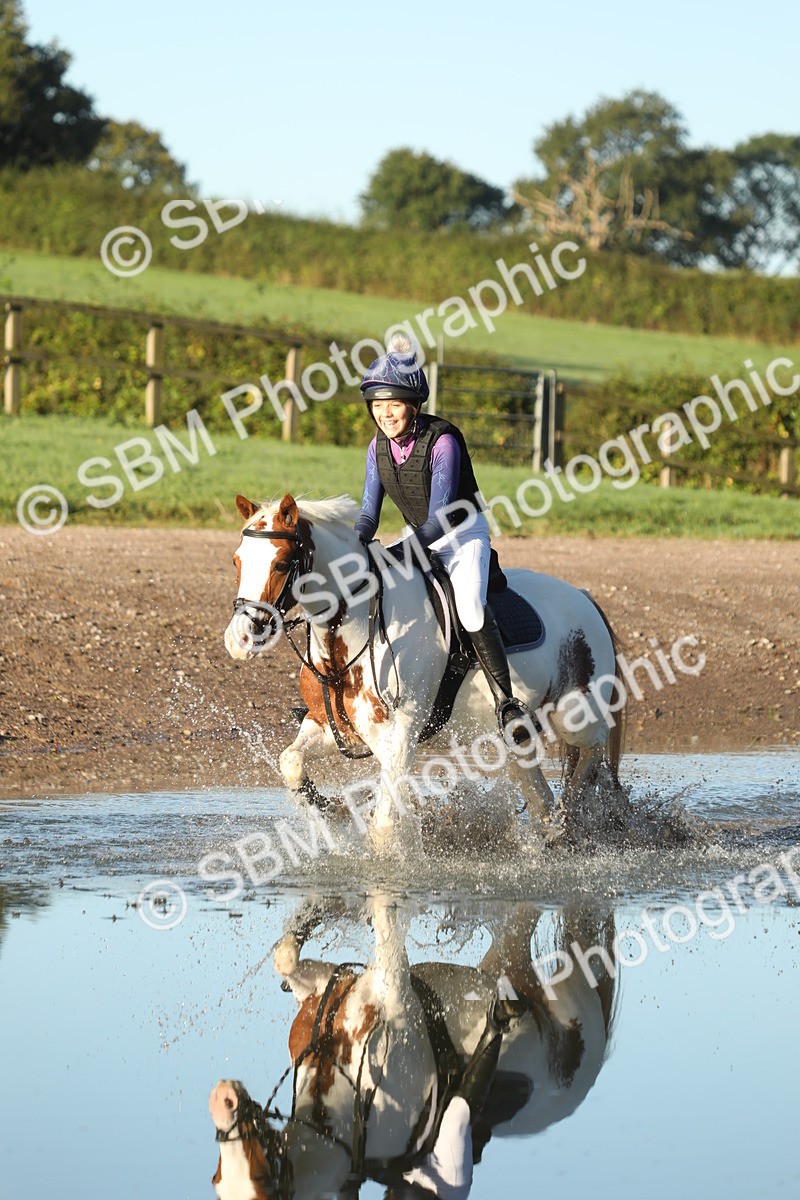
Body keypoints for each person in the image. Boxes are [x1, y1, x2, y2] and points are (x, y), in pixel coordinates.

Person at [355, 333, 532, 746]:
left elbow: (439, 520)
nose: (385, 414)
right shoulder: (376, 448)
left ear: (413, 404)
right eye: (377, 406)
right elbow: (368, 512)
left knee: (469, 609)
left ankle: (507, 704)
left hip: (461, 534)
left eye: (393, 404)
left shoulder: (444, 442)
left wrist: (399, 552)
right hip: (419, 536)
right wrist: (357, 543)